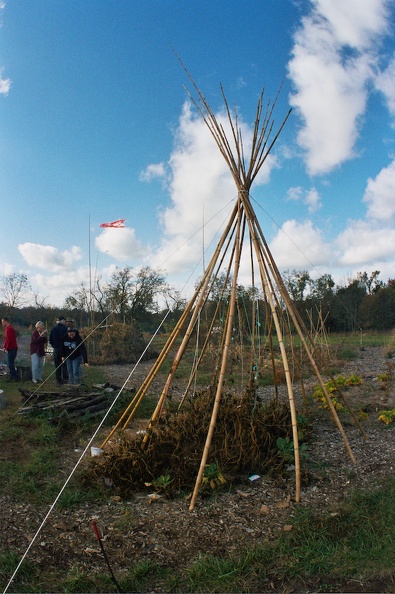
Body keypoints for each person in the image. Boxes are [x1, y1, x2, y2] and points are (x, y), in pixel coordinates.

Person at [49, 316, 68, 386]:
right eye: (64, 321)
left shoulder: (53, 329)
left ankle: (58, 380)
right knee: (65, 365)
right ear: (62, 321)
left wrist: (54, 346)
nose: (65, 322)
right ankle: (65, 379)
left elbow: (50, 339)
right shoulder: (65, 329)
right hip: (64, 349)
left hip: (56, 349)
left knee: (57, 365)